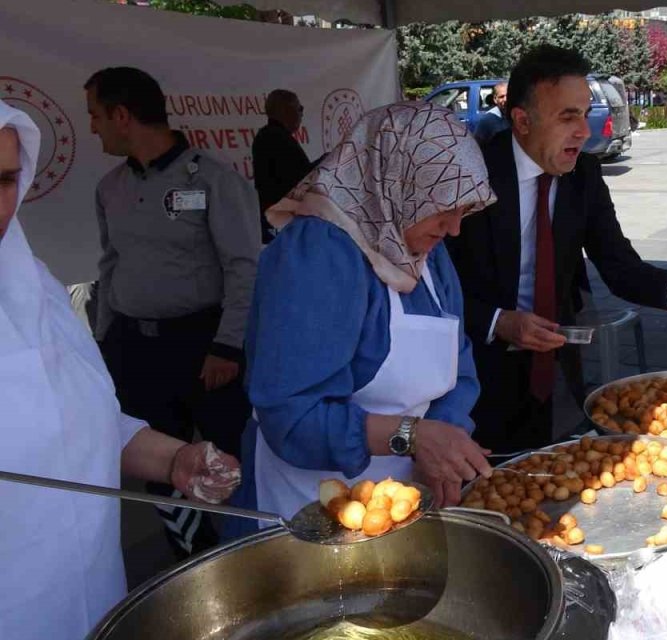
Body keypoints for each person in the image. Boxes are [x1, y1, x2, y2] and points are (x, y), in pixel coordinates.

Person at [0, 99, 240, 640]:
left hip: (92, 592)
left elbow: (90, 423)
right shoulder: (111, 188)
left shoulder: (33, 283)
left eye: (5, 180)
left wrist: (174, 459)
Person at [447, 45, 667, 453]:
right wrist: (499, 321)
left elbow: (620, 267)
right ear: (522, 121)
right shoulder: (472, 174)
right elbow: (438, 289)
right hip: (473, 374)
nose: (584, 131)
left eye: (585, 114)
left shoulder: (583, 175)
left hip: (554, 372)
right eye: (567, 116)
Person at [236, 102, 493, 522]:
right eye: (443, 206)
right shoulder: (318, 253)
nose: (454, 228)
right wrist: (413, 437)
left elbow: (458, 366)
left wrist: (445, 438)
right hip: (310, 503)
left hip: (403, 495)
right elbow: (290, 416)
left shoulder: (427, 251)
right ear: (396, 182)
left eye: (463, 210)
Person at [86, 67, 258, 557]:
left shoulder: (214, 179)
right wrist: (104, 342)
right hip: (135, 348)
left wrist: (228, 345)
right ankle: (191, 556)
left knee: (230, 456)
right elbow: (110, 265)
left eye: (96, 115)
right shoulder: (110, 188)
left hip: (205, 344)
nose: (93, 127)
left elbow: (244, 267)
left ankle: (252, 549)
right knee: (160, 463)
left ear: (122, 115)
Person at [252, 89, 312, 243]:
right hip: (282, 221)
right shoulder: (276, 138)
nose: (301, 113)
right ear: (286, 110)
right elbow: (301, 178)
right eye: (299, 108)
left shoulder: (270, 136)